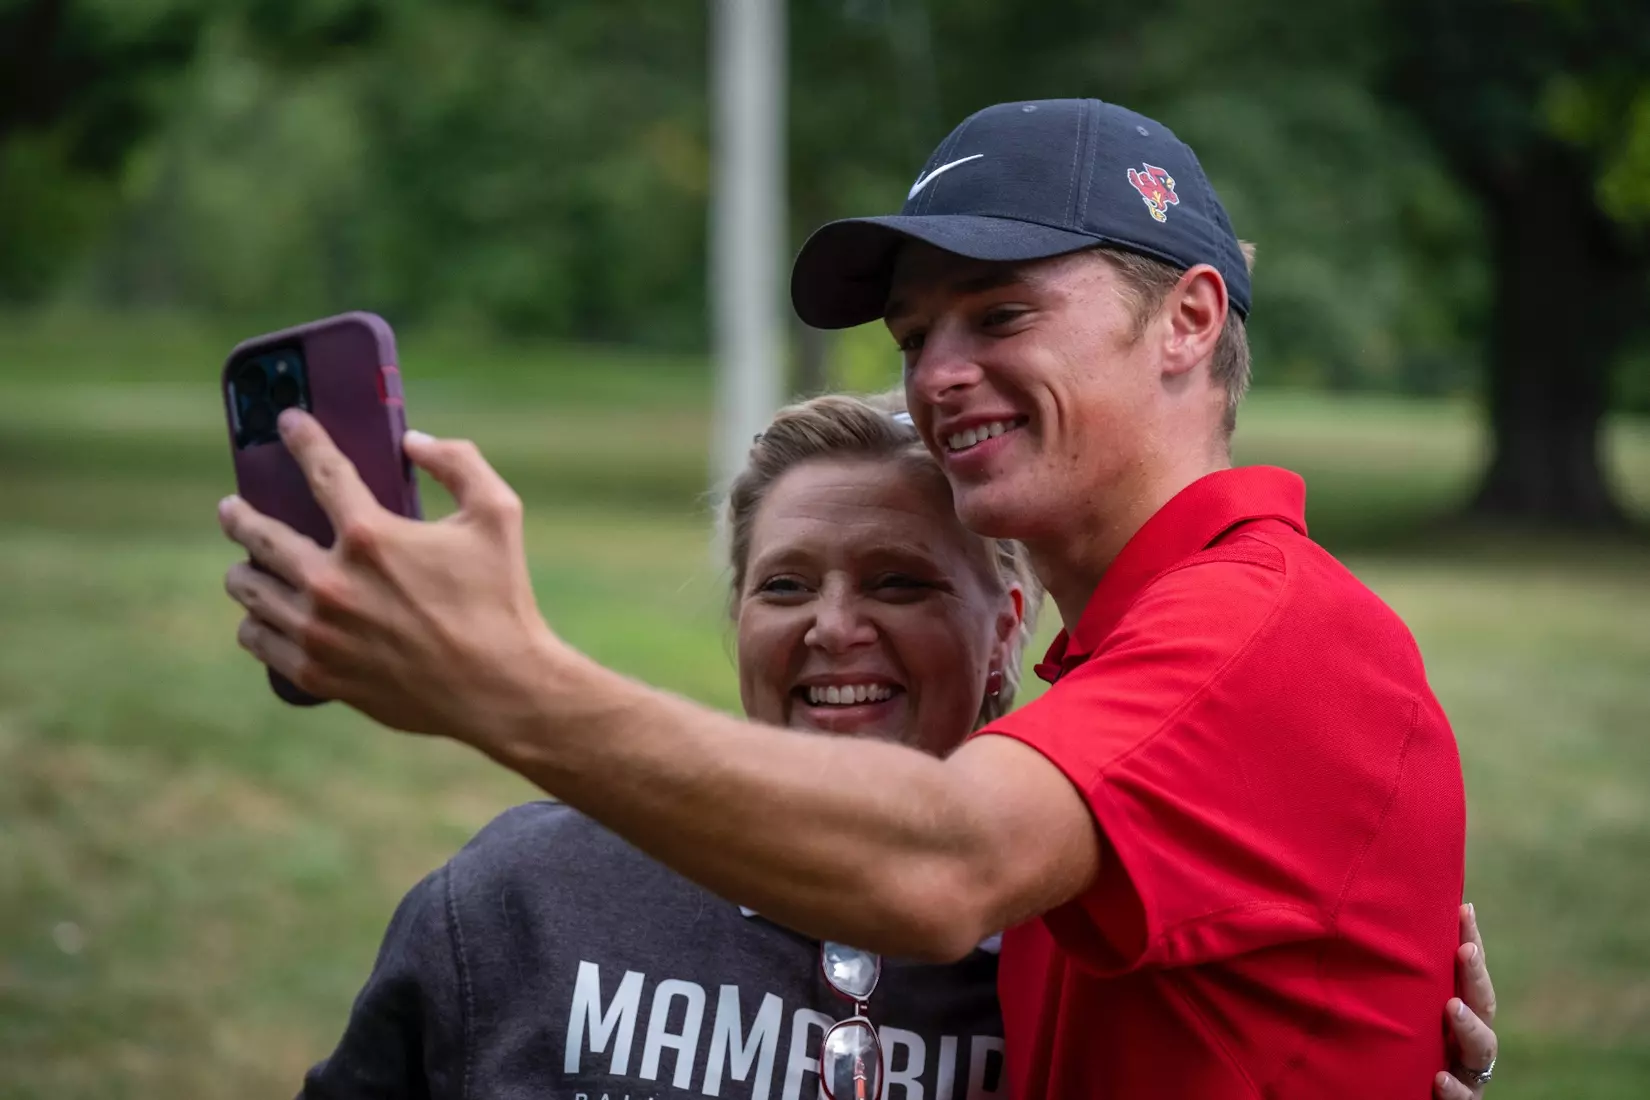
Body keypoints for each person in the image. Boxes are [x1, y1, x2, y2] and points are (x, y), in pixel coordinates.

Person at [220, 99, 1497, 1096]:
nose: (939, 375)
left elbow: (940, 862)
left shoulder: (1259, 627)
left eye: (1000, 313)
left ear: (1189, 320)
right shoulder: (1123, 668)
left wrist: (498, 677)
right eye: (911, 335)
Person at [287, 395, 1498, 1100]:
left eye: (901, 580)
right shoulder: (522, 897)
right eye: (784, 584)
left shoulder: (1091, 949)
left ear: (1007, 629)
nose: (833, 625)